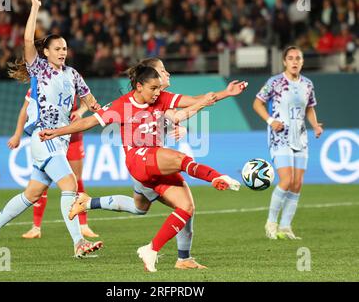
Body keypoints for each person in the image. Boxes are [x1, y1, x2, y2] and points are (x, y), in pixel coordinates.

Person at [39, 64, 247, 272]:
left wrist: (226, 93)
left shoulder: (162, 98)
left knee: (184, 207)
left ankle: (160, 252)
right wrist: (58, 132)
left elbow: (194, 100)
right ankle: (217, 177)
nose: (158, 93)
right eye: (153, 88)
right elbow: (88, 122)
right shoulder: (121, 105)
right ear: (139, 86)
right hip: (138, 160)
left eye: (159, 88)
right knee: (181, 159)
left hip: (155, 162)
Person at [0, 0, 103, 258]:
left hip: (61, 139)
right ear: (45, 51)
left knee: (32, 193)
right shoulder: (40, 69)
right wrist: (34, 8)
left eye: (65, 48)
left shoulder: (73, 74)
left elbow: (91, 100)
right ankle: (79, 243)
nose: (62, 52)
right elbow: (26, 39)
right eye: (57, 48)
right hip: (44, 139)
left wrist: (95, 110)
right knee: (70, 186)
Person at [253, 46, 323, 240]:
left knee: (298, 183)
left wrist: (315, 125)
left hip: (300, 137)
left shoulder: (307, 84)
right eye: (290, 58)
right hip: (280, 136)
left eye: (298, 58)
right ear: (284, 61)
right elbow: (257, 103)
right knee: (287, 180)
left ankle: (285, 227)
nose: (294, 61)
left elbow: (309, 107)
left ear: (302, 62)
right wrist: (270, 121)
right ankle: (271, 223)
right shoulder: (274, 82)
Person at [8, 90, 99, 239]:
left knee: (76, 179)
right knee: (42, 182)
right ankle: (36, 227)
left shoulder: (73, 76)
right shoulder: (39, 80)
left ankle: (83, 226)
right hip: (49, 136)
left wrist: (81, 111)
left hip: (73, 135)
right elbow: (25, 108)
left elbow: (87, 100)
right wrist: (17, 134)